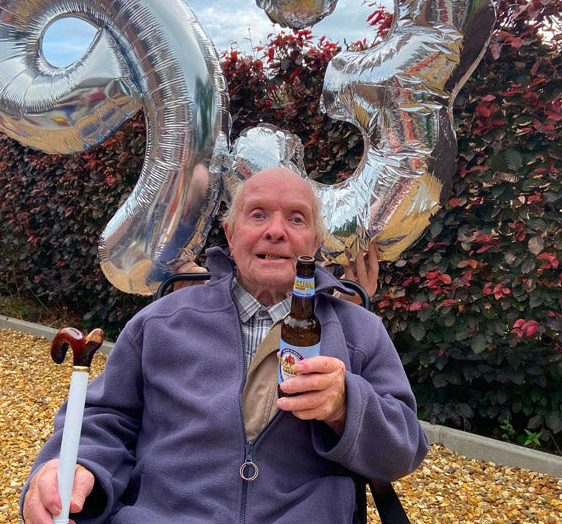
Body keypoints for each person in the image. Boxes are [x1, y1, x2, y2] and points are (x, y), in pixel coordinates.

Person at [22, 167, 428, 524]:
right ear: (231, 236)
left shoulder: (360, 333)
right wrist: (72, 468)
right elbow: (105, 419)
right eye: (257, 214)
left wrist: (345, 406)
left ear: (315, 244)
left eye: (296, 218)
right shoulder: (159, 323)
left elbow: (404, 450)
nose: (275, 230)